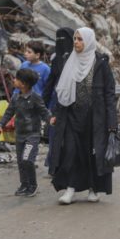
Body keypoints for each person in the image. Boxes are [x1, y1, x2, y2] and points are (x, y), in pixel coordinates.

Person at [49, 27, 119, 205]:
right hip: (71, 116)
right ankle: (70, 189)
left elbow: (109, 94)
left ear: (88, 41)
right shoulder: (69, 61)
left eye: (80, 39)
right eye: (75, 39)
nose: (76, 42)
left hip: (94, 119)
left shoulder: (100, 64)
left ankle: (93, 188)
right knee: (71, 152)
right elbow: (63, 90)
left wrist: (111, 122)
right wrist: (56, 113)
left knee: (92, 153)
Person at [0, 68, 50, 198]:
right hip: (19, 135)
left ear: (24, 84)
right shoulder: (15, 97)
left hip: (32, 136)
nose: (14, 80)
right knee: (21, 161)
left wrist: (51, 119)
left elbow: (44, 112)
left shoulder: (36, 98)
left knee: (27, 159)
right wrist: (0, 125)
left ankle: (32, 185)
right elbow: (9, 112)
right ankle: (24, 184)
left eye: (17, 79)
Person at [43, 28, 74, 171]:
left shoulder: (78, 58)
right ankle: (54, 165)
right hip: (58, 103)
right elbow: (50, 83)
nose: (61, 43)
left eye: (64, 39)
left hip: (75, 102)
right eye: (58, 39)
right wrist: (43, 105)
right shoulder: (56, 60)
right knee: (55, 135)